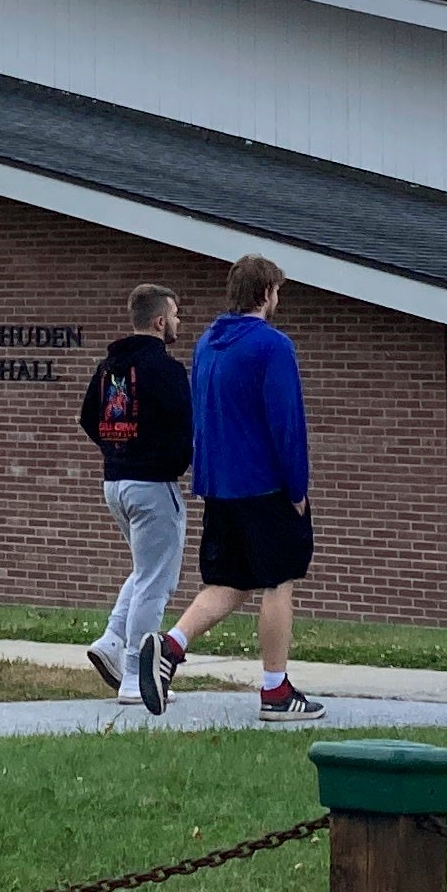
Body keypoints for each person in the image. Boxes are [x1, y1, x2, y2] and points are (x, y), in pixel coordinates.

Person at [136, 253, 323, 722]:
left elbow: (201, 413)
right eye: (277, 291)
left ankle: (170, 646)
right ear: (267, 293)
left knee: (230, 582)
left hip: (219, 488)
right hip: (265, 486)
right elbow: (286, 423)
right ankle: (276, 691)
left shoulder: (206, 344)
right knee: (278, 582)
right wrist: (297, 488)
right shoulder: (272, 346)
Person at [78, 282, 192, 697]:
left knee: (147, 571)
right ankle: (134, 675)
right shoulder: (166, 370)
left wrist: (117, 449)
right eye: (175, 315)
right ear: (160, 321)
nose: (179, 322)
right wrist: (172, 460)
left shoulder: (110, 367)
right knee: (156, 582)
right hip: (153, 485)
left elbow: (89, 417)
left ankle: (112, 639)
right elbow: (186, 428)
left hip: (115, 483)